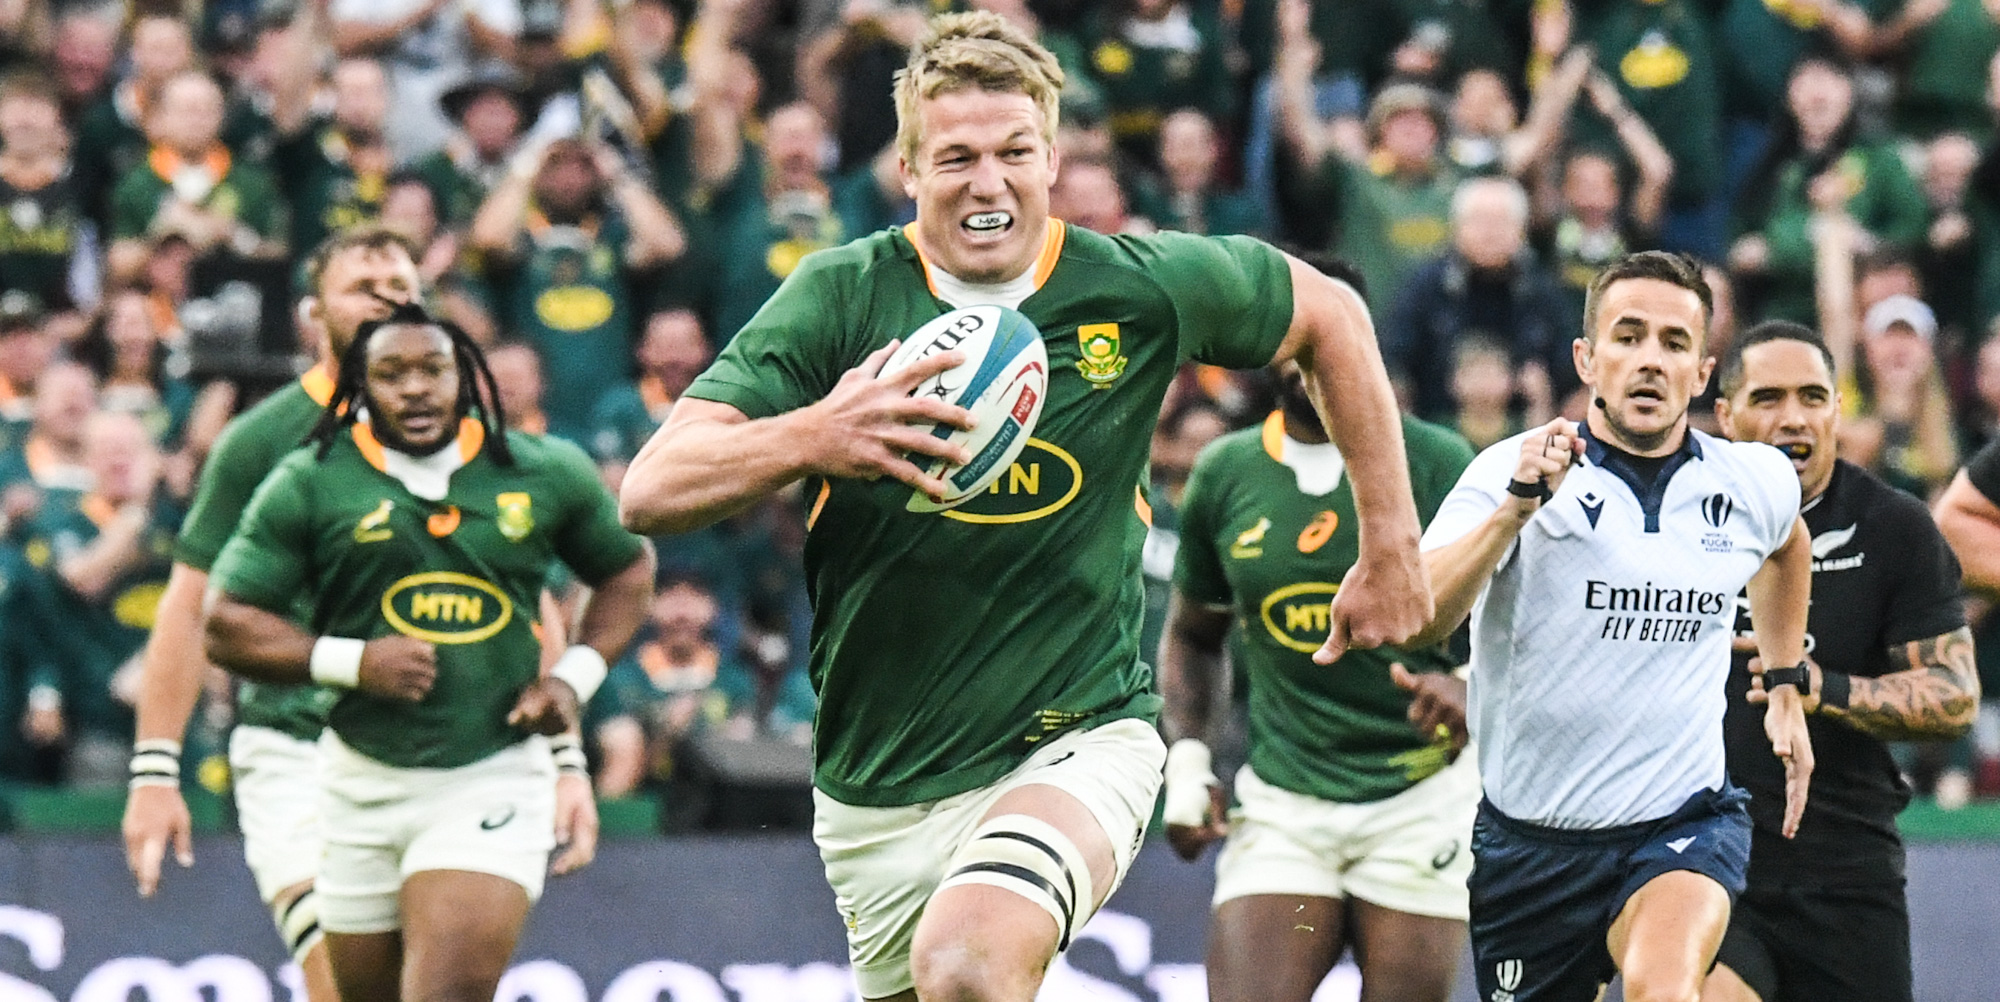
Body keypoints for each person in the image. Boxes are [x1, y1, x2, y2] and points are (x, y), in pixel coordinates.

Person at [616, 13, 1430, 1001]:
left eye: (1013, 152)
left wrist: (1390, 544)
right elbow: (651, 491)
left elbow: (1331, 315)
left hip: (1077, 739)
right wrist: (816, 435)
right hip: (879, 780)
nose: (988, 181)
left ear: (1051, 161)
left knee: (967, 964)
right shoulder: (840, 295)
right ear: (907, 170)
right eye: (955, 157)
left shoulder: (1136, 288)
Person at [118, 227, 594, 1002]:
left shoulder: (467, 436)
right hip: (297, 743)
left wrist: (567, 758)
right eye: (363, 288)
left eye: (401, 287)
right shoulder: (262, 441)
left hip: (458, 747)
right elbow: (191, 605)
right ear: (314, 316)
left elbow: (520, 593)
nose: (387, 300)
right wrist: (155, 770)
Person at [203, 304, 654, 1002]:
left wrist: (571, 681)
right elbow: (226, 622)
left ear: (466, 378)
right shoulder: (312, 479)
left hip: (490, 774)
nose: (415, 388)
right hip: (355, 781)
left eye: (433, 370)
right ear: (360, 387)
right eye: (391, 374)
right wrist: (355, 663)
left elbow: (627, 569)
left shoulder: (543, 470)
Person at [1412, 250, 1815, 1002]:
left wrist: (1786, 684)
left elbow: (1788, 545)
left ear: (1702, 373)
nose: (1650, 360)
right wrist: (1513, 513)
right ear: (1587, 360)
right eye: (1628, 337)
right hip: (1530, 848)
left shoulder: (1751, 479)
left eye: (1674, 343)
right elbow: (1421, 617)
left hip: (1682, 823)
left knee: (1663, 989)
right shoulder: (1509, 469)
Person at [1158, 354, 1477, 1002]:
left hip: (1421, 794)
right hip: (1285, 800)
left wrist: (1475, 685)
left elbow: (1514, 611)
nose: (1315, 357)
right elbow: (1194, 634)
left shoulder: (1437, 460)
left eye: (1331, 338)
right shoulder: (1226, 469)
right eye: (1300, 341)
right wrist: (1188, 762)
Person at [1703, 320, 1978, 1002]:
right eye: (1767, 398)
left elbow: (1954, 695)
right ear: (1725, 416)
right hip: (1707, 857)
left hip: (1846, 870)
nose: (1792, 418)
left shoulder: (1895, 526)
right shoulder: (1680, 520)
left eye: (1812, 397)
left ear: (1836, 411)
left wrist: (1820, 687)